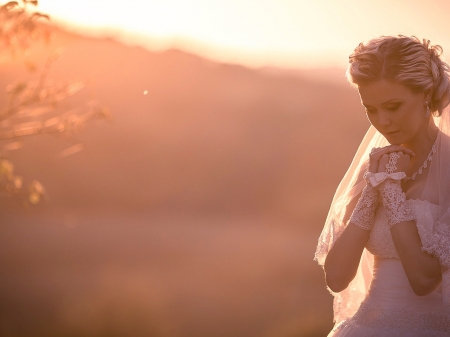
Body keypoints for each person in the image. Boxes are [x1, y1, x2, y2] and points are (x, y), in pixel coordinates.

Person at [315, 35, 450, 336]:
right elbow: (336, 278)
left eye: (393, 106)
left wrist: (391, 189)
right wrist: (372, 189)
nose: (383, 122)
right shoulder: (372, 168)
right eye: (371, 110)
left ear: (425, 95)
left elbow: (423, 279)